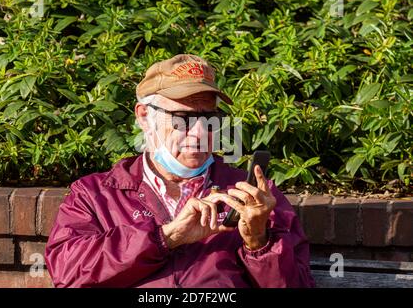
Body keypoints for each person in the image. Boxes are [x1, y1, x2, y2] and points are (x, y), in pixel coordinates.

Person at [44, 54, 315, 288]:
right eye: (182, 119)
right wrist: (167, 237)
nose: (199, 133)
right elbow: (69, 274)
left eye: (209, 118)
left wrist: (259, 243)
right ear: (144, 117)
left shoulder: (252, 196)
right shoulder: (94, 195)